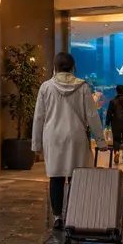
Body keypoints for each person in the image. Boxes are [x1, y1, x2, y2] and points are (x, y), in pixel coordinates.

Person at [32, 52, 107, 230]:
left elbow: (38, 117)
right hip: (76, 136)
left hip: (53, 137)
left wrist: (36, 144)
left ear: (55, 67)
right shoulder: (82, 87)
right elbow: (92, 115)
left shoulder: (46, 87)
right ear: (73, 67)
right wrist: (101, 141)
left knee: (56, 178)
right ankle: (73, 215)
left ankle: (58, 217)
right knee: (76, 178)